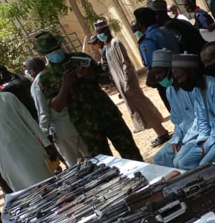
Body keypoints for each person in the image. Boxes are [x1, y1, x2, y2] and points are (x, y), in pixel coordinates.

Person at [34, 31, 143, 161]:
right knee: (106, 163)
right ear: (43, 54)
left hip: (107, 113)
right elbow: (56, 106)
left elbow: (107, 79)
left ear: (60, 45)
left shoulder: (80, 58)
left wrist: (91, 75)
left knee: (131, 152)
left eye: (56, 48)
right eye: (50, 51)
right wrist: (65, 86)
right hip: (85, 125)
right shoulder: (46, 77)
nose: (55, 52)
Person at [94, 19, 170, 147]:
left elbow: (126, 63)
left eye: (102, 30)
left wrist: (126, 82)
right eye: (98, 31)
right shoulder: (106, 48)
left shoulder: (115, 43)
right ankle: (159, 133)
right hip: (122, 86)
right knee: (138, 110)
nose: (100, 33)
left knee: (144, 107)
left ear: (107, 30)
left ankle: (162, 133)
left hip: (128, 83)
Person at [27, 57, 88, 166]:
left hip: (61, 129)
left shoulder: (37, 84)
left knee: (74, 164)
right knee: (92, 156)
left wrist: (44, 134)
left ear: (32, 70)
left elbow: (43, 112)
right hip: (79, 121)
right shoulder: (56, 75)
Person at [171, 52, 215, 168]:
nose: (180, 82)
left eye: (181, 77)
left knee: (203, 166)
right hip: (208, 138)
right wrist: (203, 141)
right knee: (181, 162)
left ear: (192, 72)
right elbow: (201, 119)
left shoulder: (213, 86)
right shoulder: (196, 90)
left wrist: (207, 144)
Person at [152, 50, 200, 168]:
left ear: (171, 69)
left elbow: (200, 119)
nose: (157, 77)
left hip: (197, 134)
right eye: (155, 74)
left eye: (160, 72)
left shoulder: (191, 88)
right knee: (159, 158)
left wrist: (185, 141)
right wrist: (176, 139)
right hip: (183, 136)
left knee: (180, 161)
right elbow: (178, 122)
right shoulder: (169, 91)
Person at [0, 92, 58, 191]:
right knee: (28, 196)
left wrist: (46, 143)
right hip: (7, 163)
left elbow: (29, 120)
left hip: (30, 152)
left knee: (49, 188)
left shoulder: (7, 97)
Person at [133, 6, 182, 112]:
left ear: (141, 23)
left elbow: (154, 66)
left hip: (166, 82)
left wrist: (149, 80)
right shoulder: (166, 32)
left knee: (177, 113)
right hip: (181, 74)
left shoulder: (148, 40)